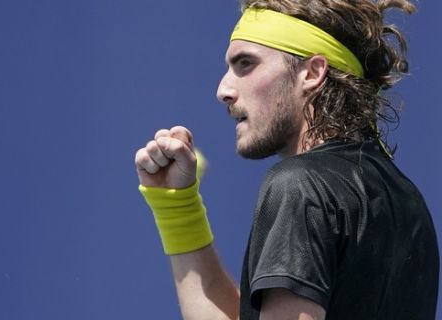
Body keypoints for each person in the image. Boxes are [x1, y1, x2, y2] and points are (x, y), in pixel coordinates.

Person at [135, 0, 439, 319]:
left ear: (312, 73)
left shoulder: (300, 185)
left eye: (245, 64)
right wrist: (177, 208)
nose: (223, 89)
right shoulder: (409, 202)